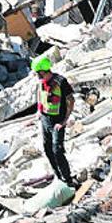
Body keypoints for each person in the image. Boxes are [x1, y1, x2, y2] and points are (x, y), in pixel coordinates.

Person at [32, 55, 75, 185]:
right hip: (45, 119)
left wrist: (64, 121)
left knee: (57, 150)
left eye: (39, 74)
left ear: (45, 71)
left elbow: (71, 100)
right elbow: (40, 95)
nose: (38, 77)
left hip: (58, 122)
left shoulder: (60, 82)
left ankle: (68, 179)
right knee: (48, 149)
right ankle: (58, 175)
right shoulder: (41, 83)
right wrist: (39, 111)